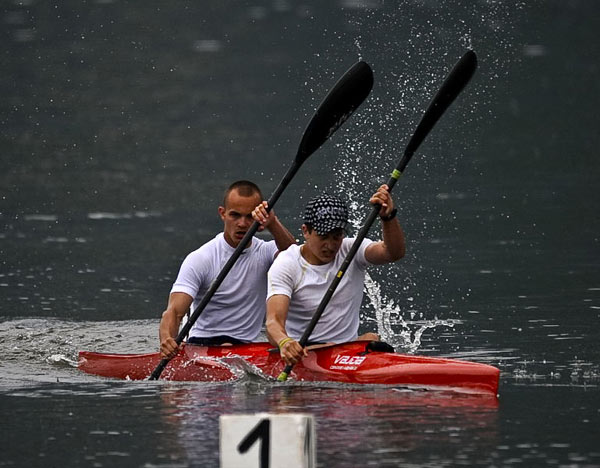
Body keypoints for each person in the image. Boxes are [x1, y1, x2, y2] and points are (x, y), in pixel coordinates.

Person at [265, 185, 405, 365]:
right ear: (305, 231)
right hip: (305, 353)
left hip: (348, 351)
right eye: (324, 236)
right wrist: (285, 342)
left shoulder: (352, 250)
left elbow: (393, 253)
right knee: (369, 339)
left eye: (336, 236)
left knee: (373, 338)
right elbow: (273, 322)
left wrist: (388, 217)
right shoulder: (287, 264)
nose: (331, 245)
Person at [159, 180, 295, 359]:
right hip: (203, 346)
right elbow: (174, 312)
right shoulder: (201, 258)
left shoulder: (266, 252)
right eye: (235, 215)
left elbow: (294, 257)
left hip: (246, 349)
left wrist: (273, 223)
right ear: (222, 214)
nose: (242, 224)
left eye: (249, 217)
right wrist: (167, 340)